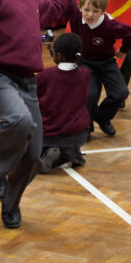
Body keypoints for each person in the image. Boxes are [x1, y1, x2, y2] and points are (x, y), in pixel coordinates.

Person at [0, 0, 84, 229]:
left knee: (34, 157)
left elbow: (56, 5)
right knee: (18, 122)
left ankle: (10, 206)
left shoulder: (32, 2)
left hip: (28, 84)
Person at [62, 0, 131, 137]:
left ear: (103, 11)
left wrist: (123, 51)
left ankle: (102, 117)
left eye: (95, 11)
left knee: (121, 93)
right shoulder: (76, 15)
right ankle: (86, 127)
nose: (90, 14)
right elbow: (62, 0)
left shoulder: (110, 25)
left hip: (107, 62)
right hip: (85, 62)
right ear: (80, 7)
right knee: (90, 95)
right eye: (86, 9)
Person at [37, 33, 90, 172]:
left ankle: (57, 155)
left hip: (50, 134)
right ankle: (73, 152)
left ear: (58, 55)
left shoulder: (45, 75)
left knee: (27, 147)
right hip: (80, 134)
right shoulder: (85, 74)